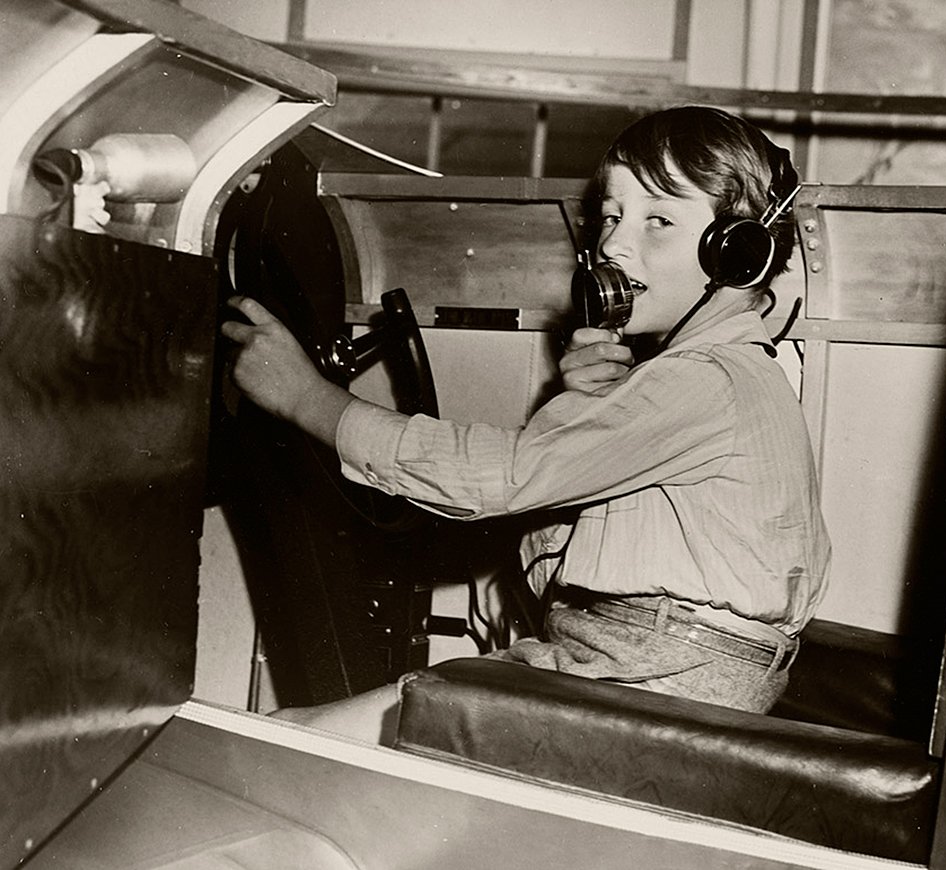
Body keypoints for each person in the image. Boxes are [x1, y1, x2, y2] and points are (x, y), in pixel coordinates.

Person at [221, 105, 830, 742]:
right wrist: (583, 405)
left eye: (659, 221)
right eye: (612, 217)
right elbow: (549, 557)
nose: (614, 246)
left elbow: (500, 479)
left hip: (655, 673)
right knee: (307, 731)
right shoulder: (705, 378)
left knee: (290, 735)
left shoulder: (705, 380)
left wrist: (306, 399)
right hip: (639, 660)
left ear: (738, 254)